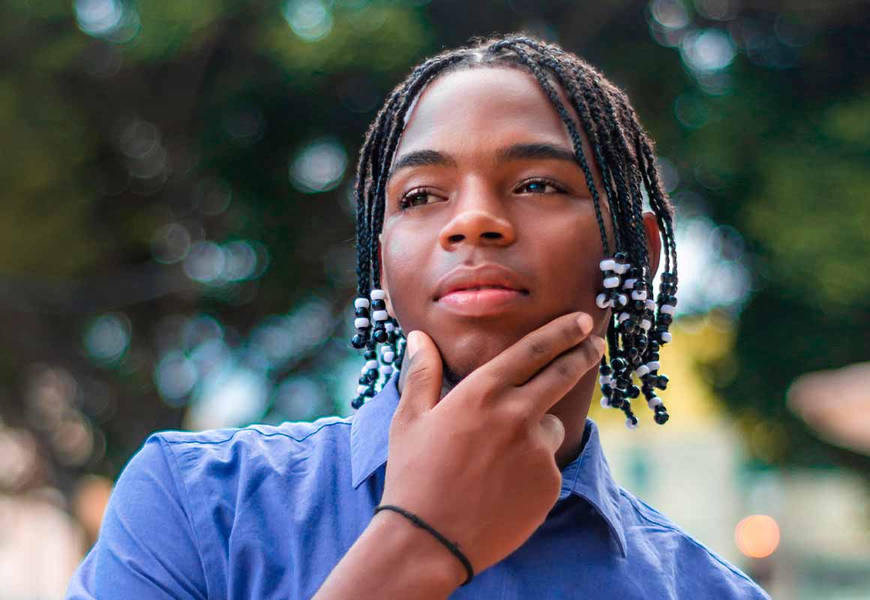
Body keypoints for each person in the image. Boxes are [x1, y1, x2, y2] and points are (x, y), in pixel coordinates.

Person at [66, 35, 771, 599]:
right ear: (381, 264)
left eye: (535, 184)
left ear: (634, 254)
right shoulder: (198, 508)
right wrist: (417, 544)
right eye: (421, 196)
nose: (472, 222)